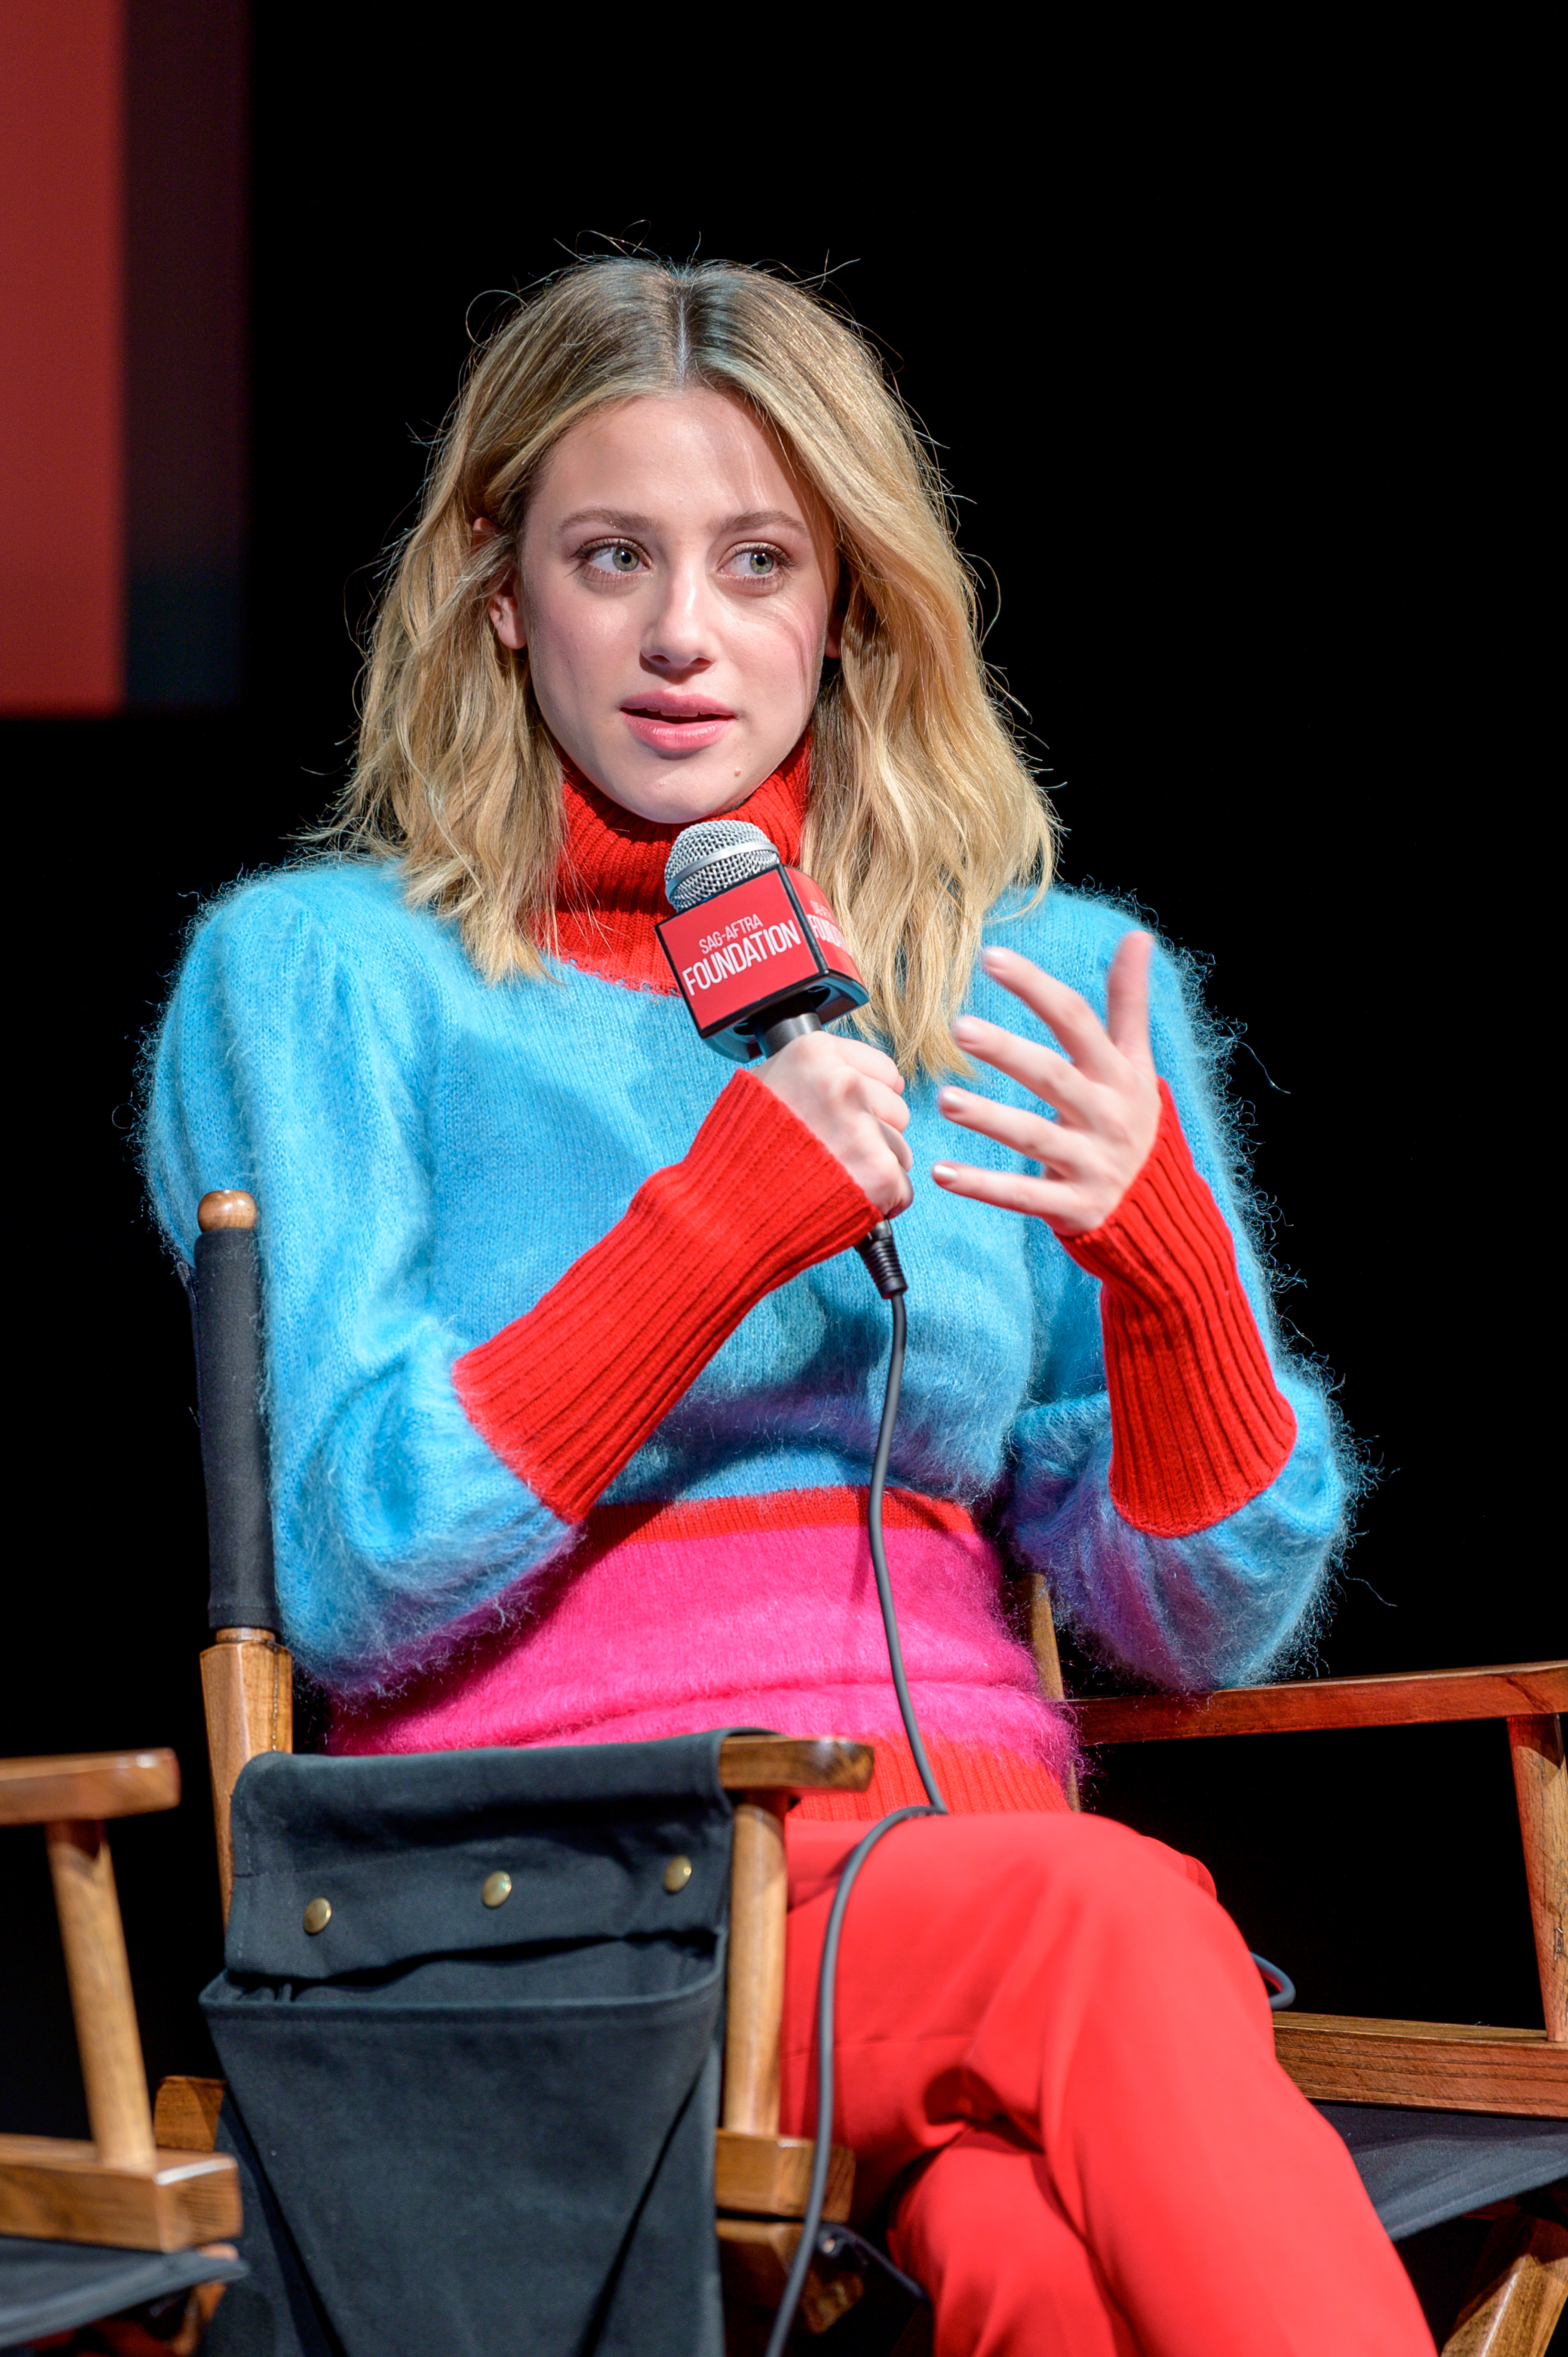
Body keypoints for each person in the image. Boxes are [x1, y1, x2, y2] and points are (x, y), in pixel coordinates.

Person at [145, 259, 1432, 2353]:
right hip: (564, 1886)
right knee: (1114, 1932)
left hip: (966, 1885)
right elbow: (357, 1569)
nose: (682, 633)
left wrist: (1175, 1284)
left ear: (847, 600)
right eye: (609, 557)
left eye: (757, 561)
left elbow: (1191, 1628)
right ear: (498, 588)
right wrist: (710, 1230)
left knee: (1040, 2259)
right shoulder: (325, 976)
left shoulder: (1042, 980)